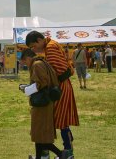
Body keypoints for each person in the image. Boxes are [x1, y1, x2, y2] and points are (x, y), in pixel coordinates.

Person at [26, 31, 78, 159]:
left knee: (58, 120)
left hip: (60, 88)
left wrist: (44, 83)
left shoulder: (50, 47)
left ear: (39, 40)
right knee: (56, 120)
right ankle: (52, 153)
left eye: (33, 46)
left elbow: (61, 72)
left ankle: (67, 152)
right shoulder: (51, 45)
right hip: (59, 87)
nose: (34, 49)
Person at [20, 49, 67, 159]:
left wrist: (26, 89)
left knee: (40, 135)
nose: (25, 64)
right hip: (45, 102)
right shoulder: (42, 62)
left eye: (24, 62)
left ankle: (61, 154)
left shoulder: (36, 64)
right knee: (39, 134)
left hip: (42, 104)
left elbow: (42, 83)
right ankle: (39, 157)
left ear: (28, 58)